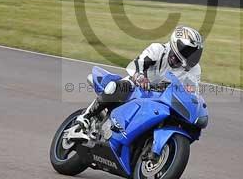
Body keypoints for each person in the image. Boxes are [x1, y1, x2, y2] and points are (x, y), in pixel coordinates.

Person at [74, 26, 204, 134]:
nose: (192, 56)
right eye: (189, 51)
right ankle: (86, 116)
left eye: (195, 53)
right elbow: (137, 64)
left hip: (162, 100)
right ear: (177, 45)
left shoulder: (194, 70)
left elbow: (192, 92)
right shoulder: (158, 50)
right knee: (118, 87)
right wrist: (140, 77)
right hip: (138, 87)